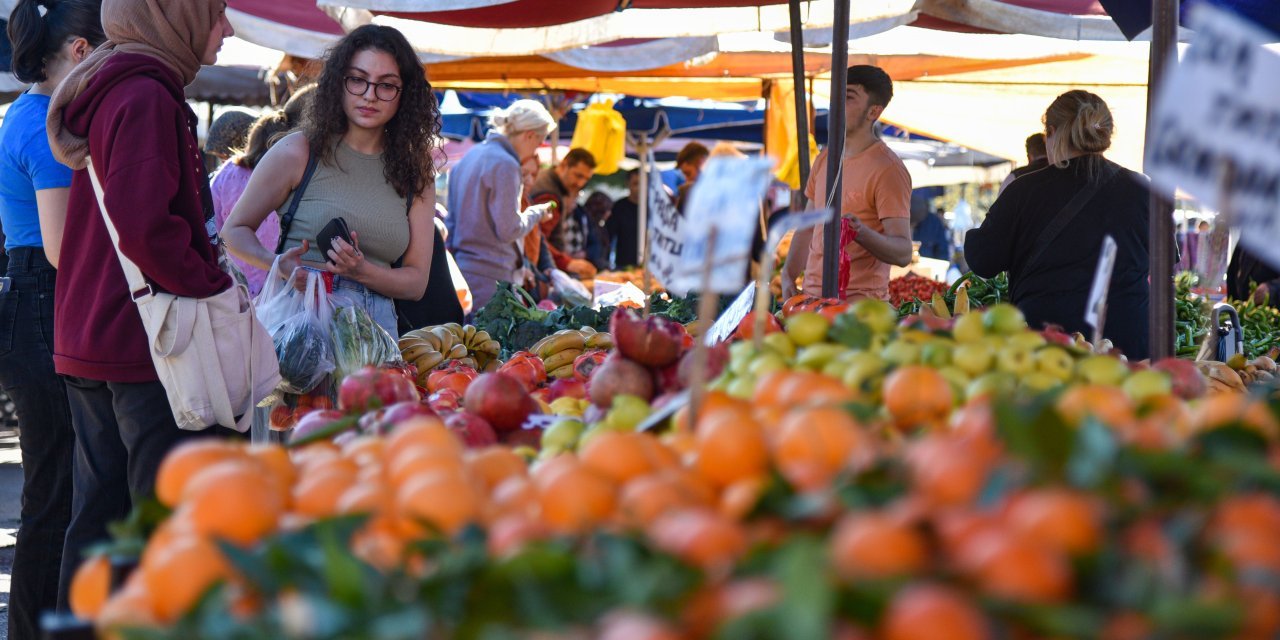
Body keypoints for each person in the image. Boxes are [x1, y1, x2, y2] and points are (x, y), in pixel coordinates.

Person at [44, 0, 236, 608]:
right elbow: (147, 226)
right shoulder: (147, 95)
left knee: (98, 520)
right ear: (176, 15)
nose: (226, 29)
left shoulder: (114, 86)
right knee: (151, 523)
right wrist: (212, 284)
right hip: (142, 339)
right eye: (217, 13)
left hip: (95, 328)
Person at [225, 25, 442, 337]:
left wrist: (362, 271)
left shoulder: (416, 173)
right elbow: (234, 230)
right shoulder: (297, 150)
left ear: (405, 94)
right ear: (339, 82)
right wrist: (276, 264)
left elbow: (417, 283)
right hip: (298, 329)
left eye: (387, 85)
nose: (369, 95)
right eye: (357, 79)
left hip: (377, 337)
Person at [0, 0, 104, 632]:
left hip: (30, 296)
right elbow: (64, 250)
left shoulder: (27, 112)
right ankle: (34, 626)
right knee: (55, 488)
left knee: (53, 485)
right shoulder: (43, 122)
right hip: (42, 297)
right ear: (80, 51)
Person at [965, 90, 1151, 359]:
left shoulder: (1023, 190)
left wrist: (975, 232)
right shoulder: (1142, 189)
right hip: (1128, 346)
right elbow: (1166, 261)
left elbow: (982, 260)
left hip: (1048, 346)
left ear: (1051, 133)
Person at [781, 65, 913, 302]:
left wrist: (861, 232)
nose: (837, 104)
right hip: (811, 300)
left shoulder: (888, 170)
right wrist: (788, 274)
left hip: (860, 307)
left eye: (849, 97)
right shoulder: (825, 159)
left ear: (873, 111)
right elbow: (808, 226)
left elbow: (903, 252)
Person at [445, 99, 557, 309]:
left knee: (467, 339)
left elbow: (451, 224)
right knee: (489, 342)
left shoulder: (470, 157)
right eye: (538, 142)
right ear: (529, 135)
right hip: (491, 278)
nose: (534, 151)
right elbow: (509, 229)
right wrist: (535, 213)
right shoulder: (505, 163)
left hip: (463, 271)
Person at [211, 108, 293, 295]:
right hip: (277, 286)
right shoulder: (291, 176)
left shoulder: (226, 173)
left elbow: (210, 224)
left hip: (233, 283)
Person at [530, 147, 596, 261]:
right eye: (578, 175)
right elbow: (539, 239)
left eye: (586, 179)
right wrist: (566, 263)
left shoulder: (553, 185)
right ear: (564, 165)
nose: (581, 183)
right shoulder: (549, 193)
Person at [607, 169, 642, 269]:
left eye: (642, 183)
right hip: (623, 264)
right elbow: (609, 235)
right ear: (628, 184)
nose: (639, 188)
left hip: (649, 265)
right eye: (635, 183)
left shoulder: (652, 207)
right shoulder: (619, 206)